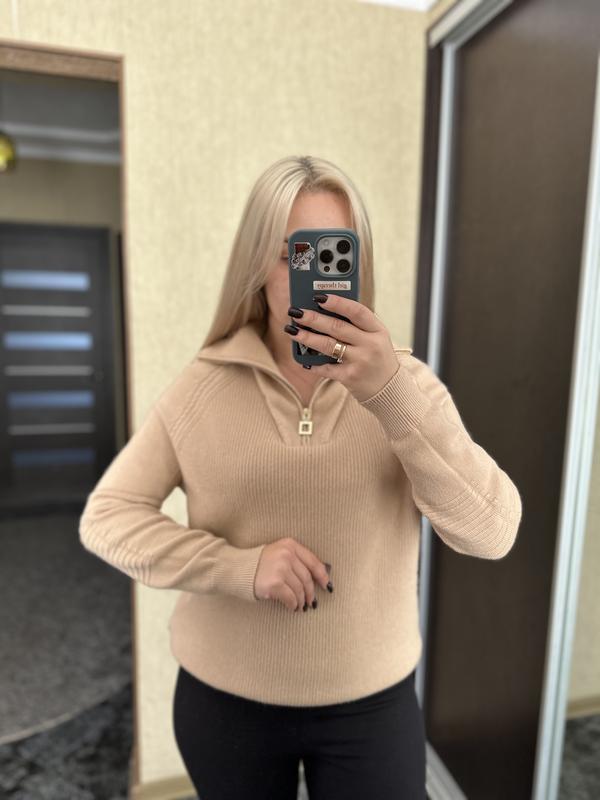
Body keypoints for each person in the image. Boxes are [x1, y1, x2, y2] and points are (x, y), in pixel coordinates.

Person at [79, 154, 523, 799]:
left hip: (372, 704)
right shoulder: (201, 387)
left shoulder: (407, 386)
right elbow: (107, 517)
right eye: (294, 253)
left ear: (357, 262)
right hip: (225, 700)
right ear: (257, 263)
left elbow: (493, 532)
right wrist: (239, 567)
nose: (315, 274)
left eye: (334, 252)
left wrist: (391, 397)